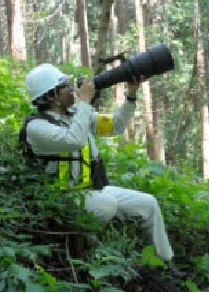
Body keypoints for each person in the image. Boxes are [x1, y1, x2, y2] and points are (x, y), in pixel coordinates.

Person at [21, 64, 184, 276]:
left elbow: (115, 126)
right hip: (62, 197)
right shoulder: (36, 127)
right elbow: (74, 140)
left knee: (148, 203)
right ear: (50, 96)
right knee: (106, 203)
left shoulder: (76, 115)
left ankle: (166, 264)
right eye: (65, 87)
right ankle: (87, 253)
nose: (72, 89)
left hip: (90, 190)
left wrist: (131, 95)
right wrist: (85, 102)